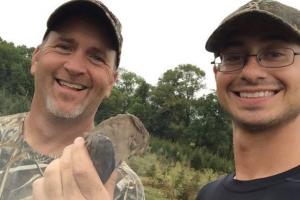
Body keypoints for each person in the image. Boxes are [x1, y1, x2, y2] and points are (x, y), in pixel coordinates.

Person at [0, 0, 145, 199]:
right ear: (36, 58)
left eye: (97, 57)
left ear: (112, 81)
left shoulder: (125, 189)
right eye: (63, 47)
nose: (75, 67)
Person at [197, 0, 300, 199]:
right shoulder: (208, 194)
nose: (251, 73)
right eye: (234, 56)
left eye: (275, 54)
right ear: (216, 73)